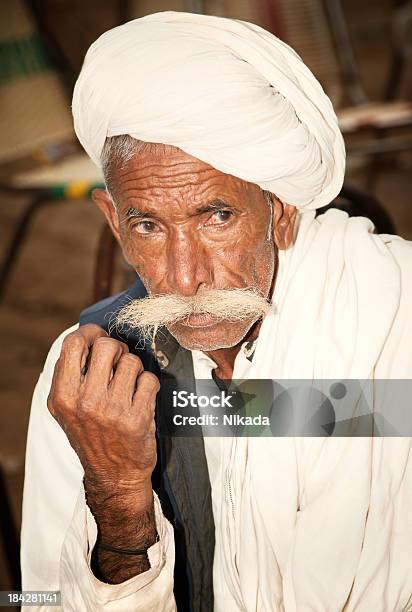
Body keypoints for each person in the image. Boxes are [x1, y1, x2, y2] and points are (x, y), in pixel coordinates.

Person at [21, 11, 412, 612]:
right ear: (112, 221)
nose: (184, 278)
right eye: (148, 225)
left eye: (217, 217)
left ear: (279, 210)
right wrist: (118, 494)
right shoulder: (89, 373)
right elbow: (41, 599)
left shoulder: (394, 314)